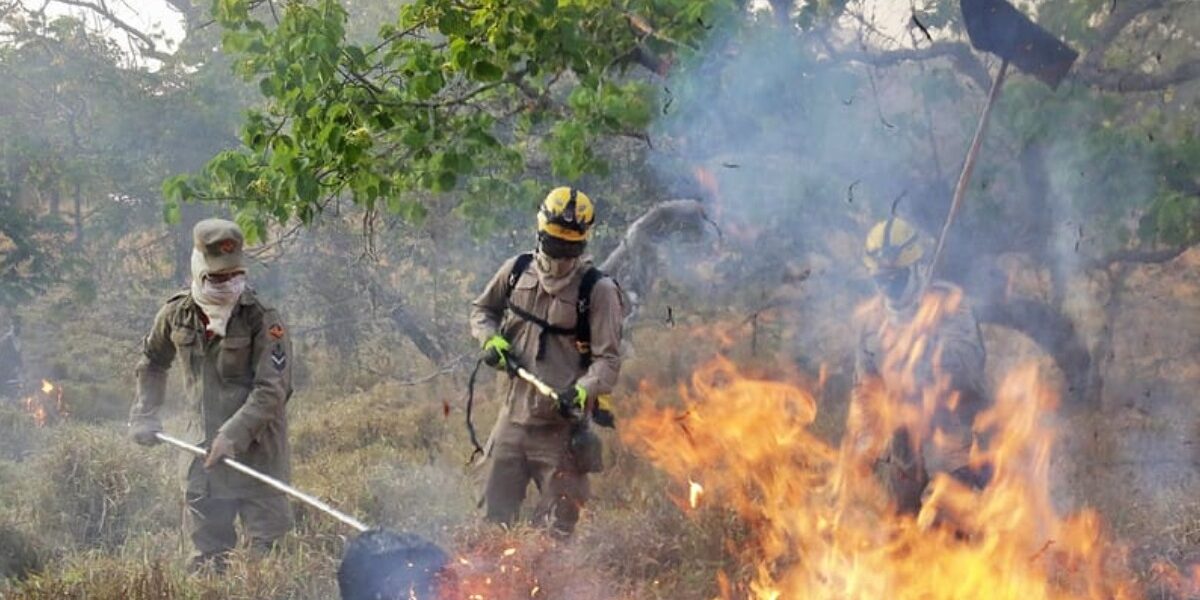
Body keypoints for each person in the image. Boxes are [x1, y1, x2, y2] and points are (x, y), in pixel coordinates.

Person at [129, 218, 293, 570]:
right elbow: (153, 361)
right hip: (202, 460)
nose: (227, 284)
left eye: (234, 275)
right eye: (217, 277)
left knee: (269, 566)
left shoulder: (263, 319)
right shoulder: (176, 314)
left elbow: (272, 388)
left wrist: (232, 435)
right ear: (198, 268)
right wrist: (145, 413)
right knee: (206, 565)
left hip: (259, 459)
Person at [470, 186, 624, 539]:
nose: (561, 257)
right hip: (511, 421)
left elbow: (608, 361)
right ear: (540, 233)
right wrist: (490, 339)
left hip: (561, 432)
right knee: (491, 523)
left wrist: (583, 391)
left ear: (583, 242)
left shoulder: (598, 291)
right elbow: (482, 310)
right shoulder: (516, 270)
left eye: (570, 248)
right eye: (554, 244)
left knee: (558, 532)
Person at [852, 216, 990, 515]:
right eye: (881, 280)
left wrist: (928, 348)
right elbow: (866, 389)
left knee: (947, 526)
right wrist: (865, 443)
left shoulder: (948, 303)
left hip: (954, 435)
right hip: (903, 443)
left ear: (915, 268)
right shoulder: (870, 320)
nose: (888, 288)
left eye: (896, 278)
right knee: (901, 528)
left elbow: (969, 368)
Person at [0, 306, 23, 402]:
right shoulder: (5, 341)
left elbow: (18, 356)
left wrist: (19, 367)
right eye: (15, 325)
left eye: (19, 325)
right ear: (12, 326)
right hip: (5, 373)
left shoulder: (19, 340)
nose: (17, 327)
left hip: (15, 373)